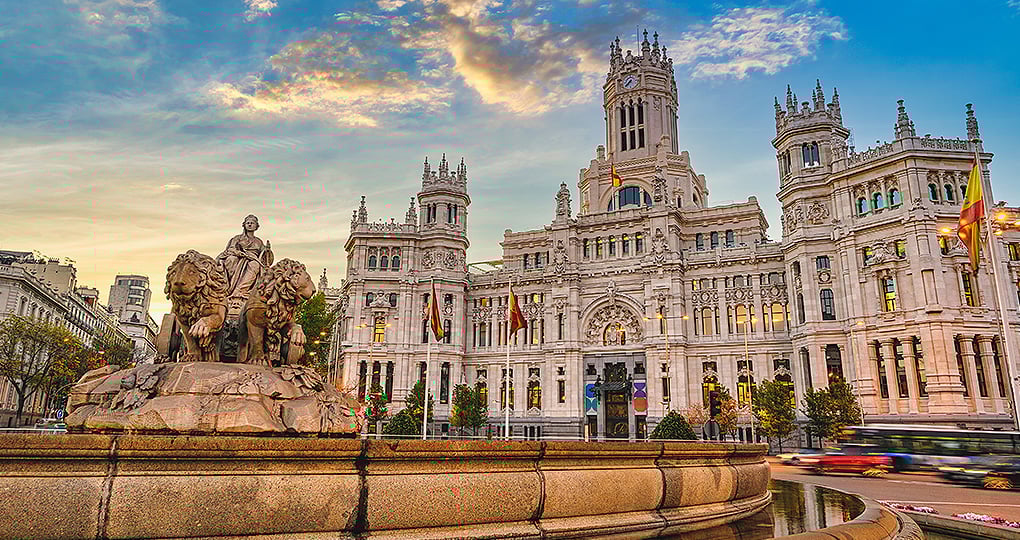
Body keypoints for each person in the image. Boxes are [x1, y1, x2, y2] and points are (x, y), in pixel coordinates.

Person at [217, 214, 274, 316]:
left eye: (252, 223)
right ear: (244, 225)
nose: (250, 225)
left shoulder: (259, 241)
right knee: (231, 259)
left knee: (255, 265)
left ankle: (240, 291)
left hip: (253, 260)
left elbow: (265, 258)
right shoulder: (237, 238)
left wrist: (267, 250)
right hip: (238, 257)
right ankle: (230, 289)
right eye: (248, 223)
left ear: (256, 226)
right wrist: (239, 253)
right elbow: (231, 249)